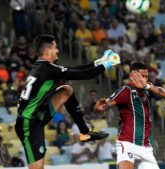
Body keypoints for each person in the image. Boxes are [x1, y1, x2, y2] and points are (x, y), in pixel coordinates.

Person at [14, 34, 120, 169]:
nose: (58, 50)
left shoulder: (44, 67)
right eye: (55, 47)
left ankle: (84, 132)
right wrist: (108, 64)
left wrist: (99, 61)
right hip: (28, 124)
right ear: (47, 51)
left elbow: (74, 70)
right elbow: (85, 75)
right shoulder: (47, 69)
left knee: (66, 91)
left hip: (37, 115)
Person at [95, 62, 165, 169]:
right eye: (142, 76)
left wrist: (147, 86)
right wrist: (98, 108)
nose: (145, 78)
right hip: (127, 143)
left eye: (146, 76)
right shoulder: (125, 91)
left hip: (145, 147)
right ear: (133, 75)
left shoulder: (147, 89)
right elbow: (103, 107)